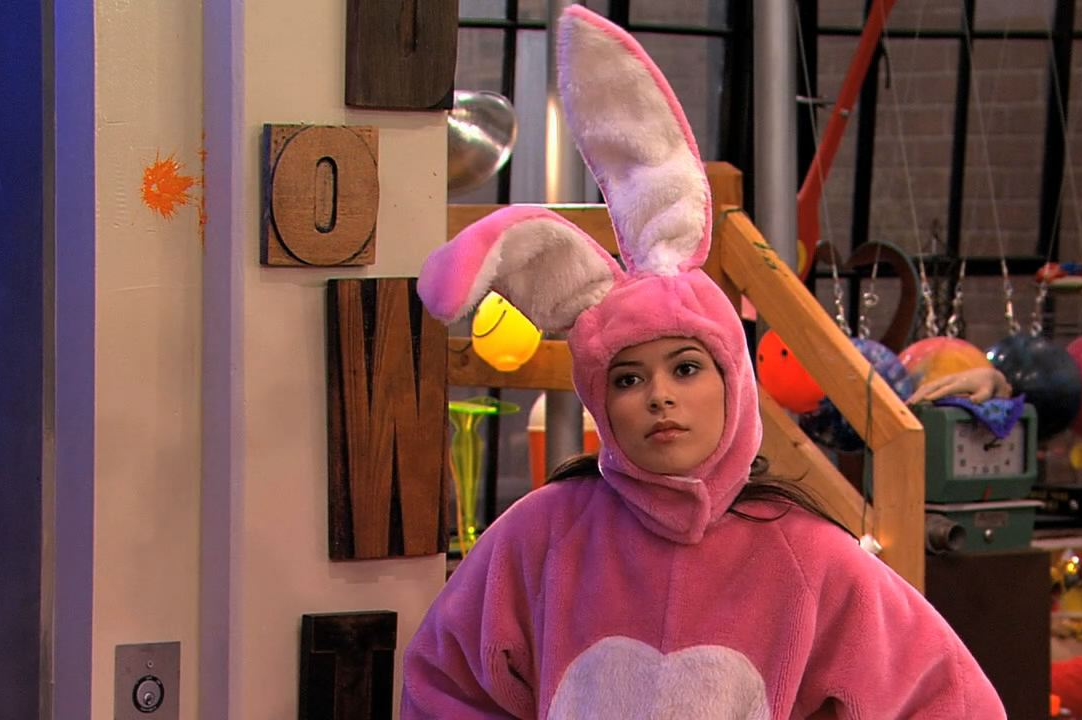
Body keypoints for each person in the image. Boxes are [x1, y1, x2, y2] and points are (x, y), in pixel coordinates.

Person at [404, 6, 1006, 718]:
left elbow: (947, 699)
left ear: (733, 381)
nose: (659, 396)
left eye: (686, 368)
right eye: (628, 378)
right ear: (600, 401)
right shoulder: (540, 534)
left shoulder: (808, 553)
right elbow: (443, 685)